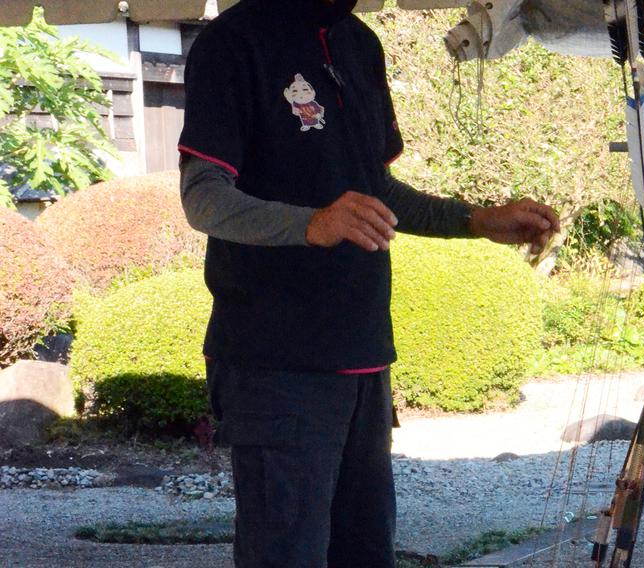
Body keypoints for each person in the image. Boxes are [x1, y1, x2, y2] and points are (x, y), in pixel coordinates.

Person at [177, 0, 559, 565]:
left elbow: (376, 193)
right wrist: (310, 223)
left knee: (365, 552)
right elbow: (203, 197)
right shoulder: (232, 42)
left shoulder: (359, 43)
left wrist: (477, 220)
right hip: (276, 365)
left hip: (363, 360)